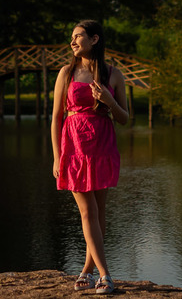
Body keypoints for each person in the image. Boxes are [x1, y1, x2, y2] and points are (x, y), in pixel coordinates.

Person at [52, 20, 130, 294]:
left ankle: (86, 270)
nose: (72, 42)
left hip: (102, 144)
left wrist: (109, 100)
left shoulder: (113, 74)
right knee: (88, 211)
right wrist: (56, 156)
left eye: (78, 36)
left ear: (95, 39)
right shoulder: (66, 72)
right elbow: (56, 118)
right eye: (71, 37)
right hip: (73, 145)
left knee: (99, 212)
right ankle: (106, 275)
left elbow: (124, 118)